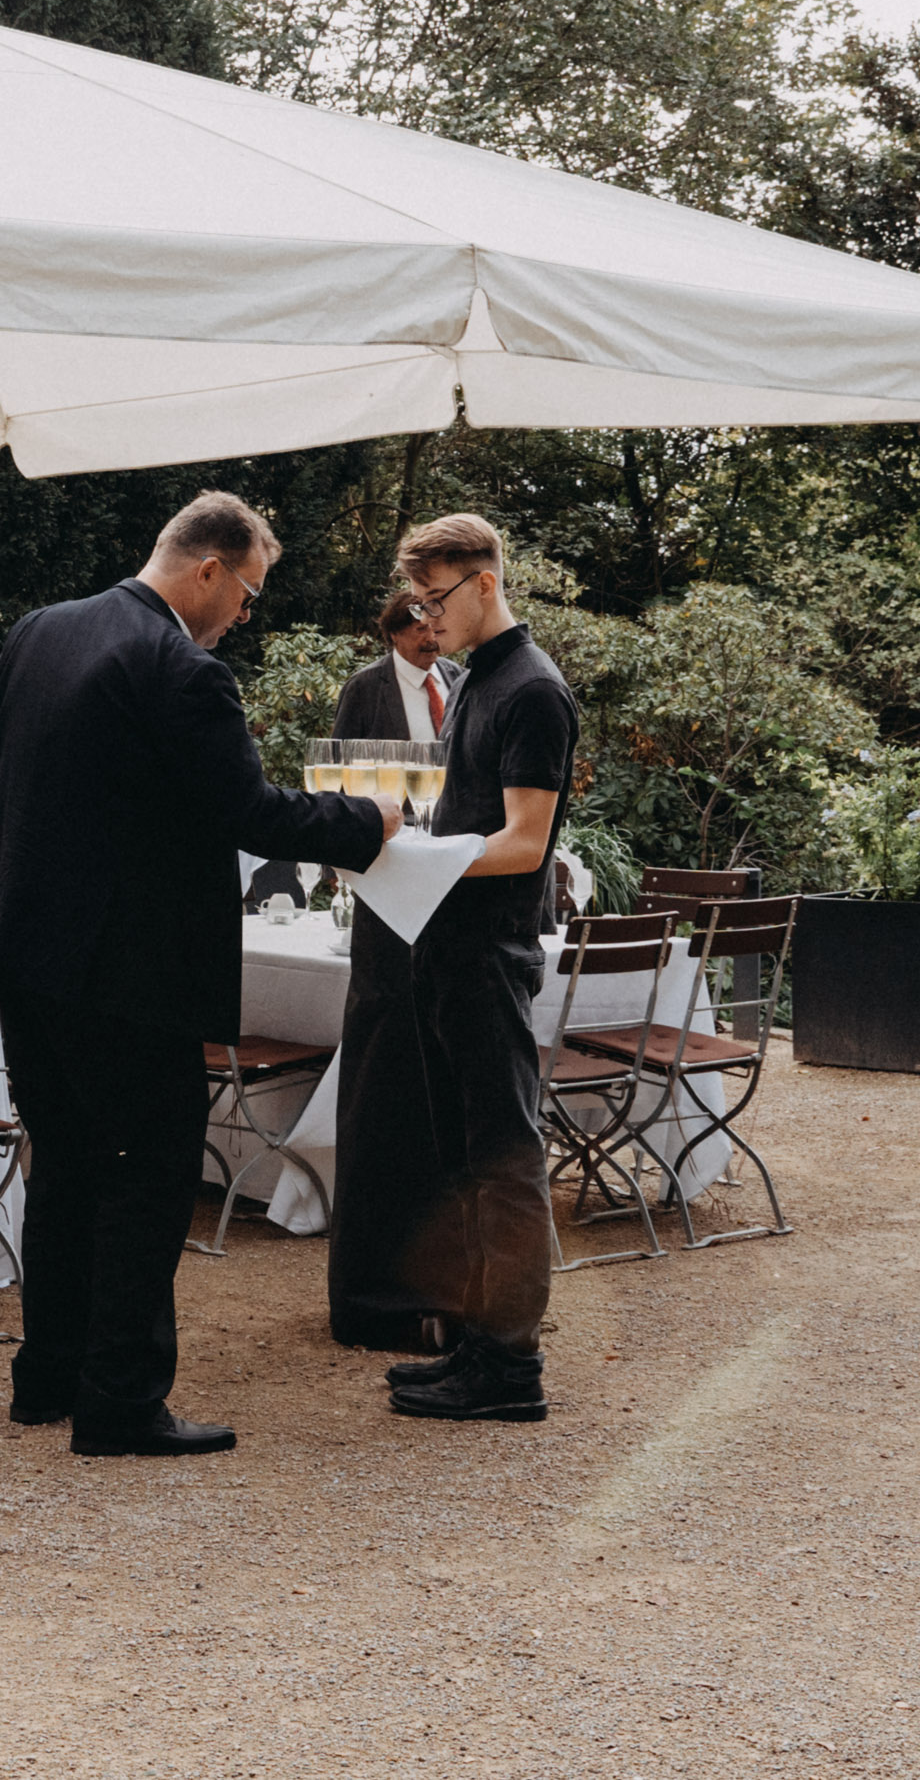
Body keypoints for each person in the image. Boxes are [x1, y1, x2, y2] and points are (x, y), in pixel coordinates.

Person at [0, 491, 391, 1458]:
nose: (245, 615)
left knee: (65, 1163)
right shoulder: (181, 668)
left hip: (26, 951)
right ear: (208, 568)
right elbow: (253, 813)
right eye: (247, 594)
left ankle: (49, 1377)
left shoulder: (41, 631)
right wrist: (373, 824)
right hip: (130, 969)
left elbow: (2, 759)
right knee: (149, 1181)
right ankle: (120, 1403)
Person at [335, 512, 577, 1426]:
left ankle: (512, 1367)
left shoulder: (532, 690)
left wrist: (411, 860)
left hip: (488, 955)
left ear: (484, 582)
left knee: (505, 1159)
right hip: (445, 951)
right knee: (466, 1161)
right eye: (417, 603)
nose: (424, 619)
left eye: (435, 600)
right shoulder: (479, 680)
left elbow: (523, 843)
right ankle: (479, 1344)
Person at [330, 589, 461, 745]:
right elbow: (339, 756)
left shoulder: (458, 677)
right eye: (421, 629)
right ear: (395, 634)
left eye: (435, 628)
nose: (432, 638)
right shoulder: (364, 688)